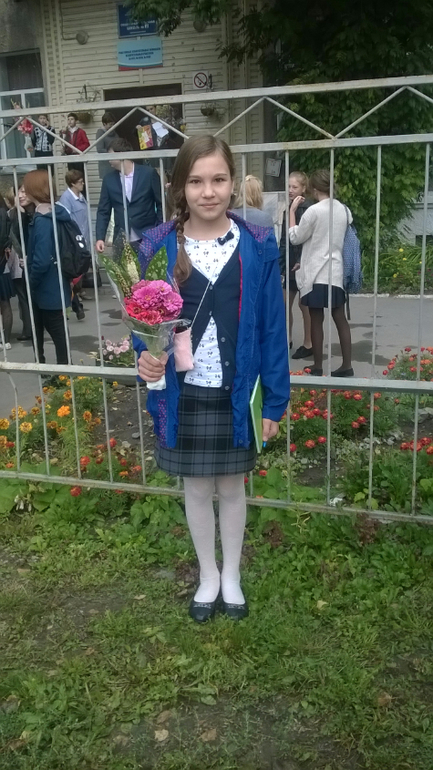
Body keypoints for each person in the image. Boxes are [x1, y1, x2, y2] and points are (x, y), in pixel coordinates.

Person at [135, 135, 290, 623]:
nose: (208, 191)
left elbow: (272, 327)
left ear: (233, 182)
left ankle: (232, 577)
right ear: (180, 187)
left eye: (218, 179)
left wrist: (275, 402)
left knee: (233, 487)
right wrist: (145, 358)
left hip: (236, 391)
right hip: (185, 393)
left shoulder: (257, 244)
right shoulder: (157, 244)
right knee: (198, 489)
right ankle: (207, 574)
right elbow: (143, 319)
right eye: (196, 181)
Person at [289, 169, 353, 377]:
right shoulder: (343, 210)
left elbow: (295, 238)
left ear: (315, 189)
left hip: (316, 272)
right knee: (339, 318)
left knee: (316, 319)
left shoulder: (313, 211)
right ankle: (347, 365)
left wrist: (292, 213)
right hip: (335, 271)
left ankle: (317, 366)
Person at [23, 170, 71, 365]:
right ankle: (57, 371)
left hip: (47, 286)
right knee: (53, 331)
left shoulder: (43, 220)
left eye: (26, 187)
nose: (23, 191)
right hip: (54, 283)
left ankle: (64, 373)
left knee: (57, 333)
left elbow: (42, 259)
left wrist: (31, 281)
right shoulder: (53, 212)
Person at [95, 137, 163, 254]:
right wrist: (100, 237)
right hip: (121, 239)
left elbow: (161, 203)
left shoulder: (148, 173)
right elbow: (103, 211)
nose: (108, 159)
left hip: (147, 236)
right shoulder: (108, 180)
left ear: (121, 154)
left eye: (110, 155)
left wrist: (159, 229)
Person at [279, 171, 313, 358]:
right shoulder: (289, 208)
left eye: (294, 187)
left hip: (304, 262)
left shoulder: (308, 209)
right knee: (284, 303)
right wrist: (281, 264)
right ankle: (287, 339)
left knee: (304, 304)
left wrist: (300, 259)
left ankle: (309, 343)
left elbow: (306, 238)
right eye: (289, 186)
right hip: (290, 262)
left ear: (303, 188)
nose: (290, 190)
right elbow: (285, 239)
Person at [58, 169, 91, 321]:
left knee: (74, 279)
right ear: (72, 184)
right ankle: (72, 307)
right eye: (80, 182)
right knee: (71, 279)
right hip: (73, 243)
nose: (83, 184)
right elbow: (67, 223)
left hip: (83, 240)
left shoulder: (81, 197)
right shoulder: (66, 199)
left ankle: (73, 305)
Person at [6, 186, 34, 341]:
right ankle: (30, 327)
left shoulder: (16, 215)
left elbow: (14, 238)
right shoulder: (21, 214)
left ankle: (29, 329)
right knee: (25, 295)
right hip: (22, 259)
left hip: (19, 260)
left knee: (23, 295)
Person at [0, 194, 15, 350]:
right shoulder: (4, 212)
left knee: (4, 303)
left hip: (1, 262)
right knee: (5, 302)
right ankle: (6, 339)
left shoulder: (1, 214)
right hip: (2, 261)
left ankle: (4, 339)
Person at [95, 112, 119, 179]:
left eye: (113, 124)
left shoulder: (114, 133)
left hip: (115, 163)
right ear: (104, 124)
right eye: (110, 124)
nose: (112, 126)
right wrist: (111, 151)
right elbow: (99, 149)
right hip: (106, 165)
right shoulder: (100, 133)